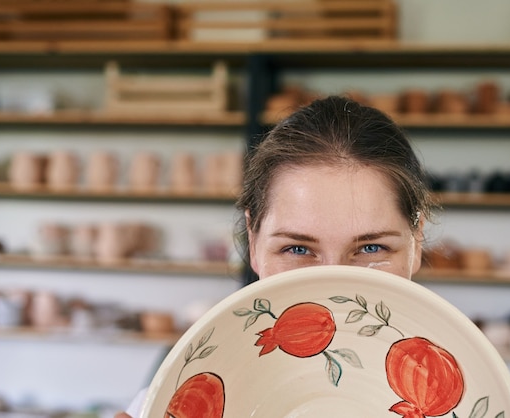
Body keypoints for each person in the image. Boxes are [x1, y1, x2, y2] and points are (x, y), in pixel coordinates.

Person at [115, 94, 433, 418]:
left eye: (370, 248)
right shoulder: (178, 402)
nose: (332, 290)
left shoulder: (476, 393)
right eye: (297, 249)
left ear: (416, 239)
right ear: (253, 241)